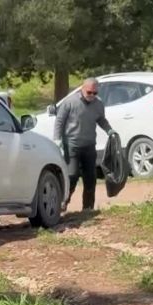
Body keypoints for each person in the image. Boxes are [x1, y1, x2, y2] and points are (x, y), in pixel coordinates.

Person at [54, 77, 113, 212]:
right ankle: (63, 203)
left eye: (95, 93)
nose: (92, 95)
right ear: (82, 89)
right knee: (72, 175)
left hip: (89, 145)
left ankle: (87, 208)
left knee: (90, 178)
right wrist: (57, 139)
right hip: (72, 145)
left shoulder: (98, 104)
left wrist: (110, 130)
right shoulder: (70, 102)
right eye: (89, 92)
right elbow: (59, 121)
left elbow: (101, 120)